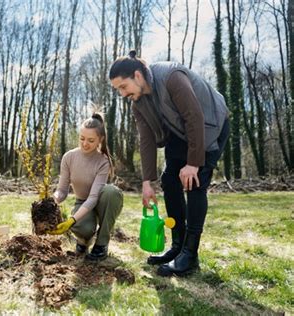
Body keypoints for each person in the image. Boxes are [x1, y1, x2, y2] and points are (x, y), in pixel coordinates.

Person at [109, 51, 230, 276]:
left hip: (210, 126)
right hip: (180, 133)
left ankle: (190, 254)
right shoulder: (138, 103)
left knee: (194, 183)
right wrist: (147, 181)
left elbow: (194, 116)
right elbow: (146, 141)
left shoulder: (171, 76)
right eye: (118, 90)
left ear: (137, 75)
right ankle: (177, 247)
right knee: (169, 180)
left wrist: (193, 163)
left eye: (123, 87)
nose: (122, 93)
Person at [48, 113, 124, 261]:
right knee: (81, 227)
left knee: (111, 192)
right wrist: (53, 200)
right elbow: (62, 190)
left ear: (100, 140)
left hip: (101, 202)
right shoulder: (69, 157)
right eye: (82, 138)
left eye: (90, 140)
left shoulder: (103, 161)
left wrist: (72, 220)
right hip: (82, 202)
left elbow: (94, 198)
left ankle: (101, 244)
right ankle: (84, 240)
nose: (84, 144)